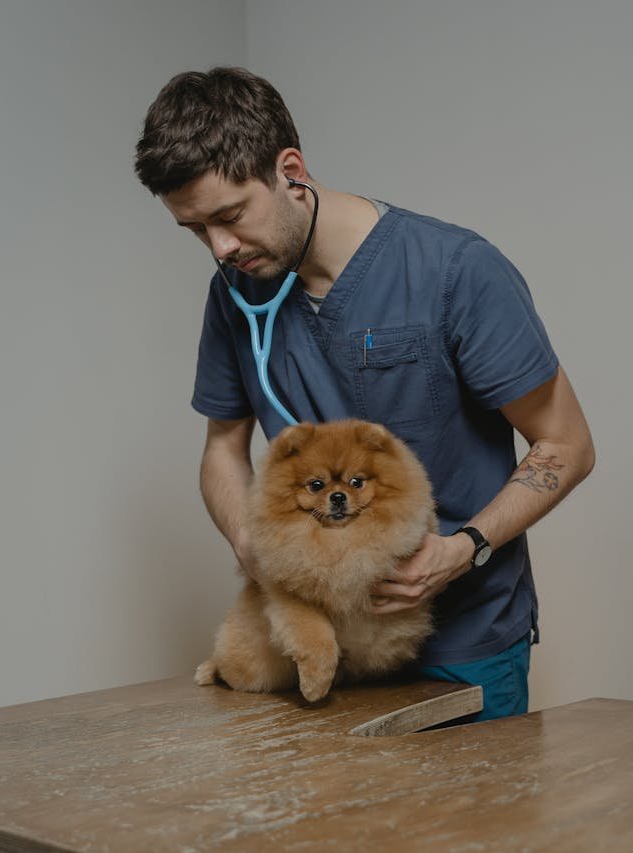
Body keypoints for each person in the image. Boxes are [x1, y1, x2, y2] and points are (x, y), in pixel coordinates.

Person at [134, 67, 594, 721]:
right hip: (325, 639)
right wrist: (250, 541)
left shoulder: (454, 271)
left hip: (464, 636)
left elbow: (568, 444)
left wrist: (461, 550)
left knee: (476, 824)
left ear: (290, 170)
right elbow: (222, 448)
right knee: (335, 823)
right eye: (196, 230)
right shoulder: (236, 292)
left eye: (230, 216)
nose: (220, 247)